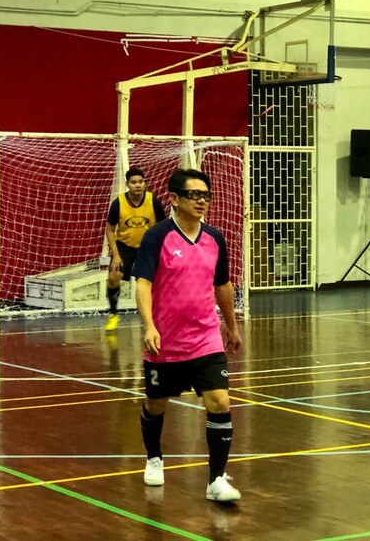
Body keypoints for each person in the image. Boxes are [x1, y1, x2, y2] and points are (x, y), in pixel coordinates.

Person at [132, 167, 243, 503]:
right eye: (194, 195)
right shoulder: (157, 237)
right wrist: (149, 325)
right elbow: (143, 284)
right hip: (165, 342)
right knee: (156, 404)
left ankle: (216, 479)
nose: (201, 201)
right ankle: (154, 457)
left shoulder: (215, 239)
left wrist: (232, 326)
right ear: (175, 199)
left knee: (219, 402)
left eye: (206, 196)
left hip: (206, 338)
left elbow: (222, 285)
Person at [105, 168, 166, 331]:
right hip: (125, 246)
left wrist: (161, 249)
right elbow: (110, 230)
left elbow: (163, 226)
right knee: (114, 276)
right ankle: (113, 313)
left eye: (141, 182)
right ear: (127, 184)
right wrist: (116, 255)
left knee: (149, 283)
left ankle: (155, 315)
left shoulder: (153, 201)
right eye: (133, 182)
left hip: (147, 247)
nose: (138, 185)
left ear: (145, 183)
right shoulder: (118, 203)